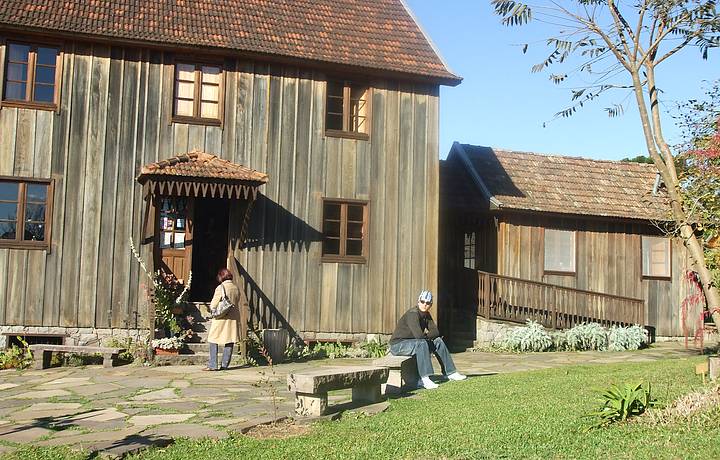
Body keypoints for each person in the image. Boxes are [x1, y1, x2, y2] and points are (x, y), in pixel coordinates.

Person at [389, 290, 466, 389]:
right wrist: (426, 337)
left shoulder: (426, 315)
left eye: (428, 303)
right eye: (422, 301)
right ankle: (425, 379)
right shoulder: (412, 314)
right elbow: (419, 336)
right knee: (421, 344)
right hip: (398, 345)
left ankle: (450, 372)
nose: (424, 304)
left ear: (431, 305)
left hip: (412, 343)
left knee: (438, 341)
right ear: (418, 301)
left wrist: (426, 337)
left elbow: (436, 332)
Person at [204, 268, 246, 371]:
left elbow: (214, 304)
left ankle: (213, 364)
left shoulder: (220, 288)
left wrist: (211, 310)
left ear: (221, 276)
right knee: (230, 340)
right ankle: (225, 365)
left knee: (213, 339)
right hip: (233, 318)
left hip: (221, 318)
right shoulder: (236, 288)